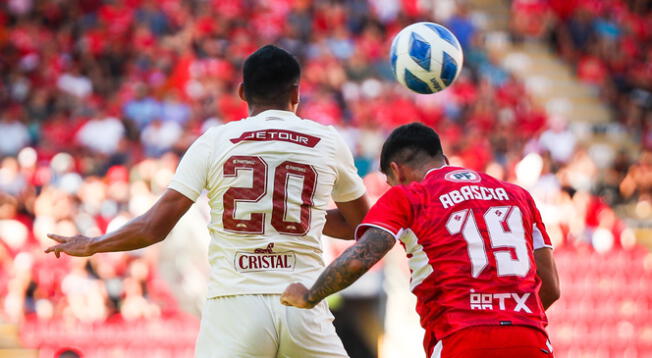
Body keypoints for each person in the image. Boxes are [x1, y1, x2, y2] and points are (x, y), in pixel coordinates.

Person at [45, 45, 370, 358]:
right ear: (296, 93)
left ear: (242, 92)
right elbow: (362, 226)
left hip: (234, 305)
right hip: (303, 301)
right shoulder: (327, 141)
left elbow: (154, 227)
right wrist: (298, 212)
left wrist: (94, 243)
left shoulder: (215, 141)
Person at [281, 122, 561, 358]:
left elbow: (363, 255)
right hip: (530, 338)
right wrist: (509, 321)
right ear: (444, 159)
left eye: (391, 181)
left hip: (461, 337)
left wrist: (310, 295)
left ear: (396, 170)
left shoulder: (412, 195)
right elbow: (550, 287)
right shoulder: (518, 195)